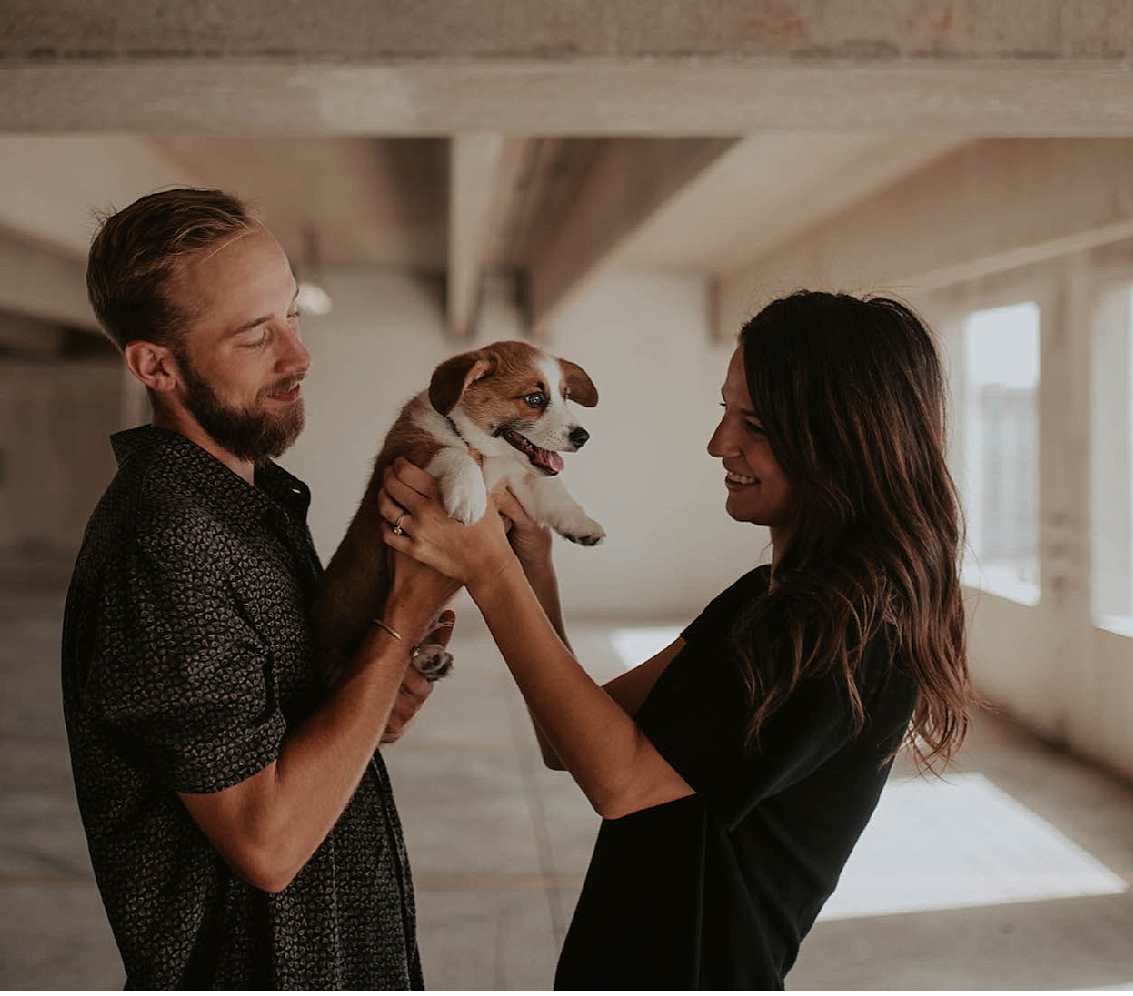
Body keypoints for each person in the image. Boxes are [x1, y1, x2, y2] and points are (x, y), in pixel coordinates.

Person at [378, 289, 974, 989]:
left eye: (754, 424)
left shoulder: (846, 631)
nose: (720, 444)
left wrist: (489, 571)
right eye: (725, 411)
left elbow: (621, 783)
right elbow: (566, 743)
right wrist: (531, 563)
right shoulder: (764, 601)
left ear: (840, 440)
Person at [61, 188, 460, 989]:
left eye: (292, 316)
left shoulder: (252, 505)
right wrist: (400, 617)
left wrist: (365, 693)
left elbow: (279, 743)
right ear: (155, 366)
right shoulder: (168, 545)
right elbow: (267, 842)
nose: (298, 356)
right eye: (255, 335)